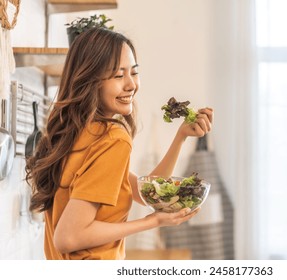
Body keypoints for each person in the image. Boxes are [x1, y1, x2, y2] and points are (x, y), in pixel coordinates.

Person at [25, 27, 213, 260]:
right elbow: (68, 238)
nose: (131, 84)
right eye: (117, 75)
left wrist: (180, 137)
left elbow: (146, 193)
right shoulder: (112, 138)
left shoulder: (76, 133)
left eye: (133, 72)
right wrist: (152, 222)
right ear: (90, 80)